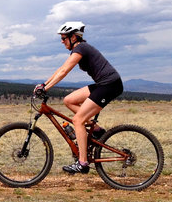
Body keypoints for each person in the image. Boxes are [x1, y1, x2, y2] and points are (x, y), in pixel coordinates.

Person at [34, 21, 123, 175]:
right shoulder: (78, 49)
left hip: (109, 85)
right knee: (69, 100)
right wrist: (43, 84)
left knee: (77, 120)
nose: (62, 41)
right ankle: (96, 129)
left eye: (64, 38)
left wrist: (46, 88)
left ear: (74, 37)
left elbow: (64, 72)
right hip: (105, 83)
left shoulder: (81, 48)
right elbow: (60, 69)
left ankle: (82, 163)